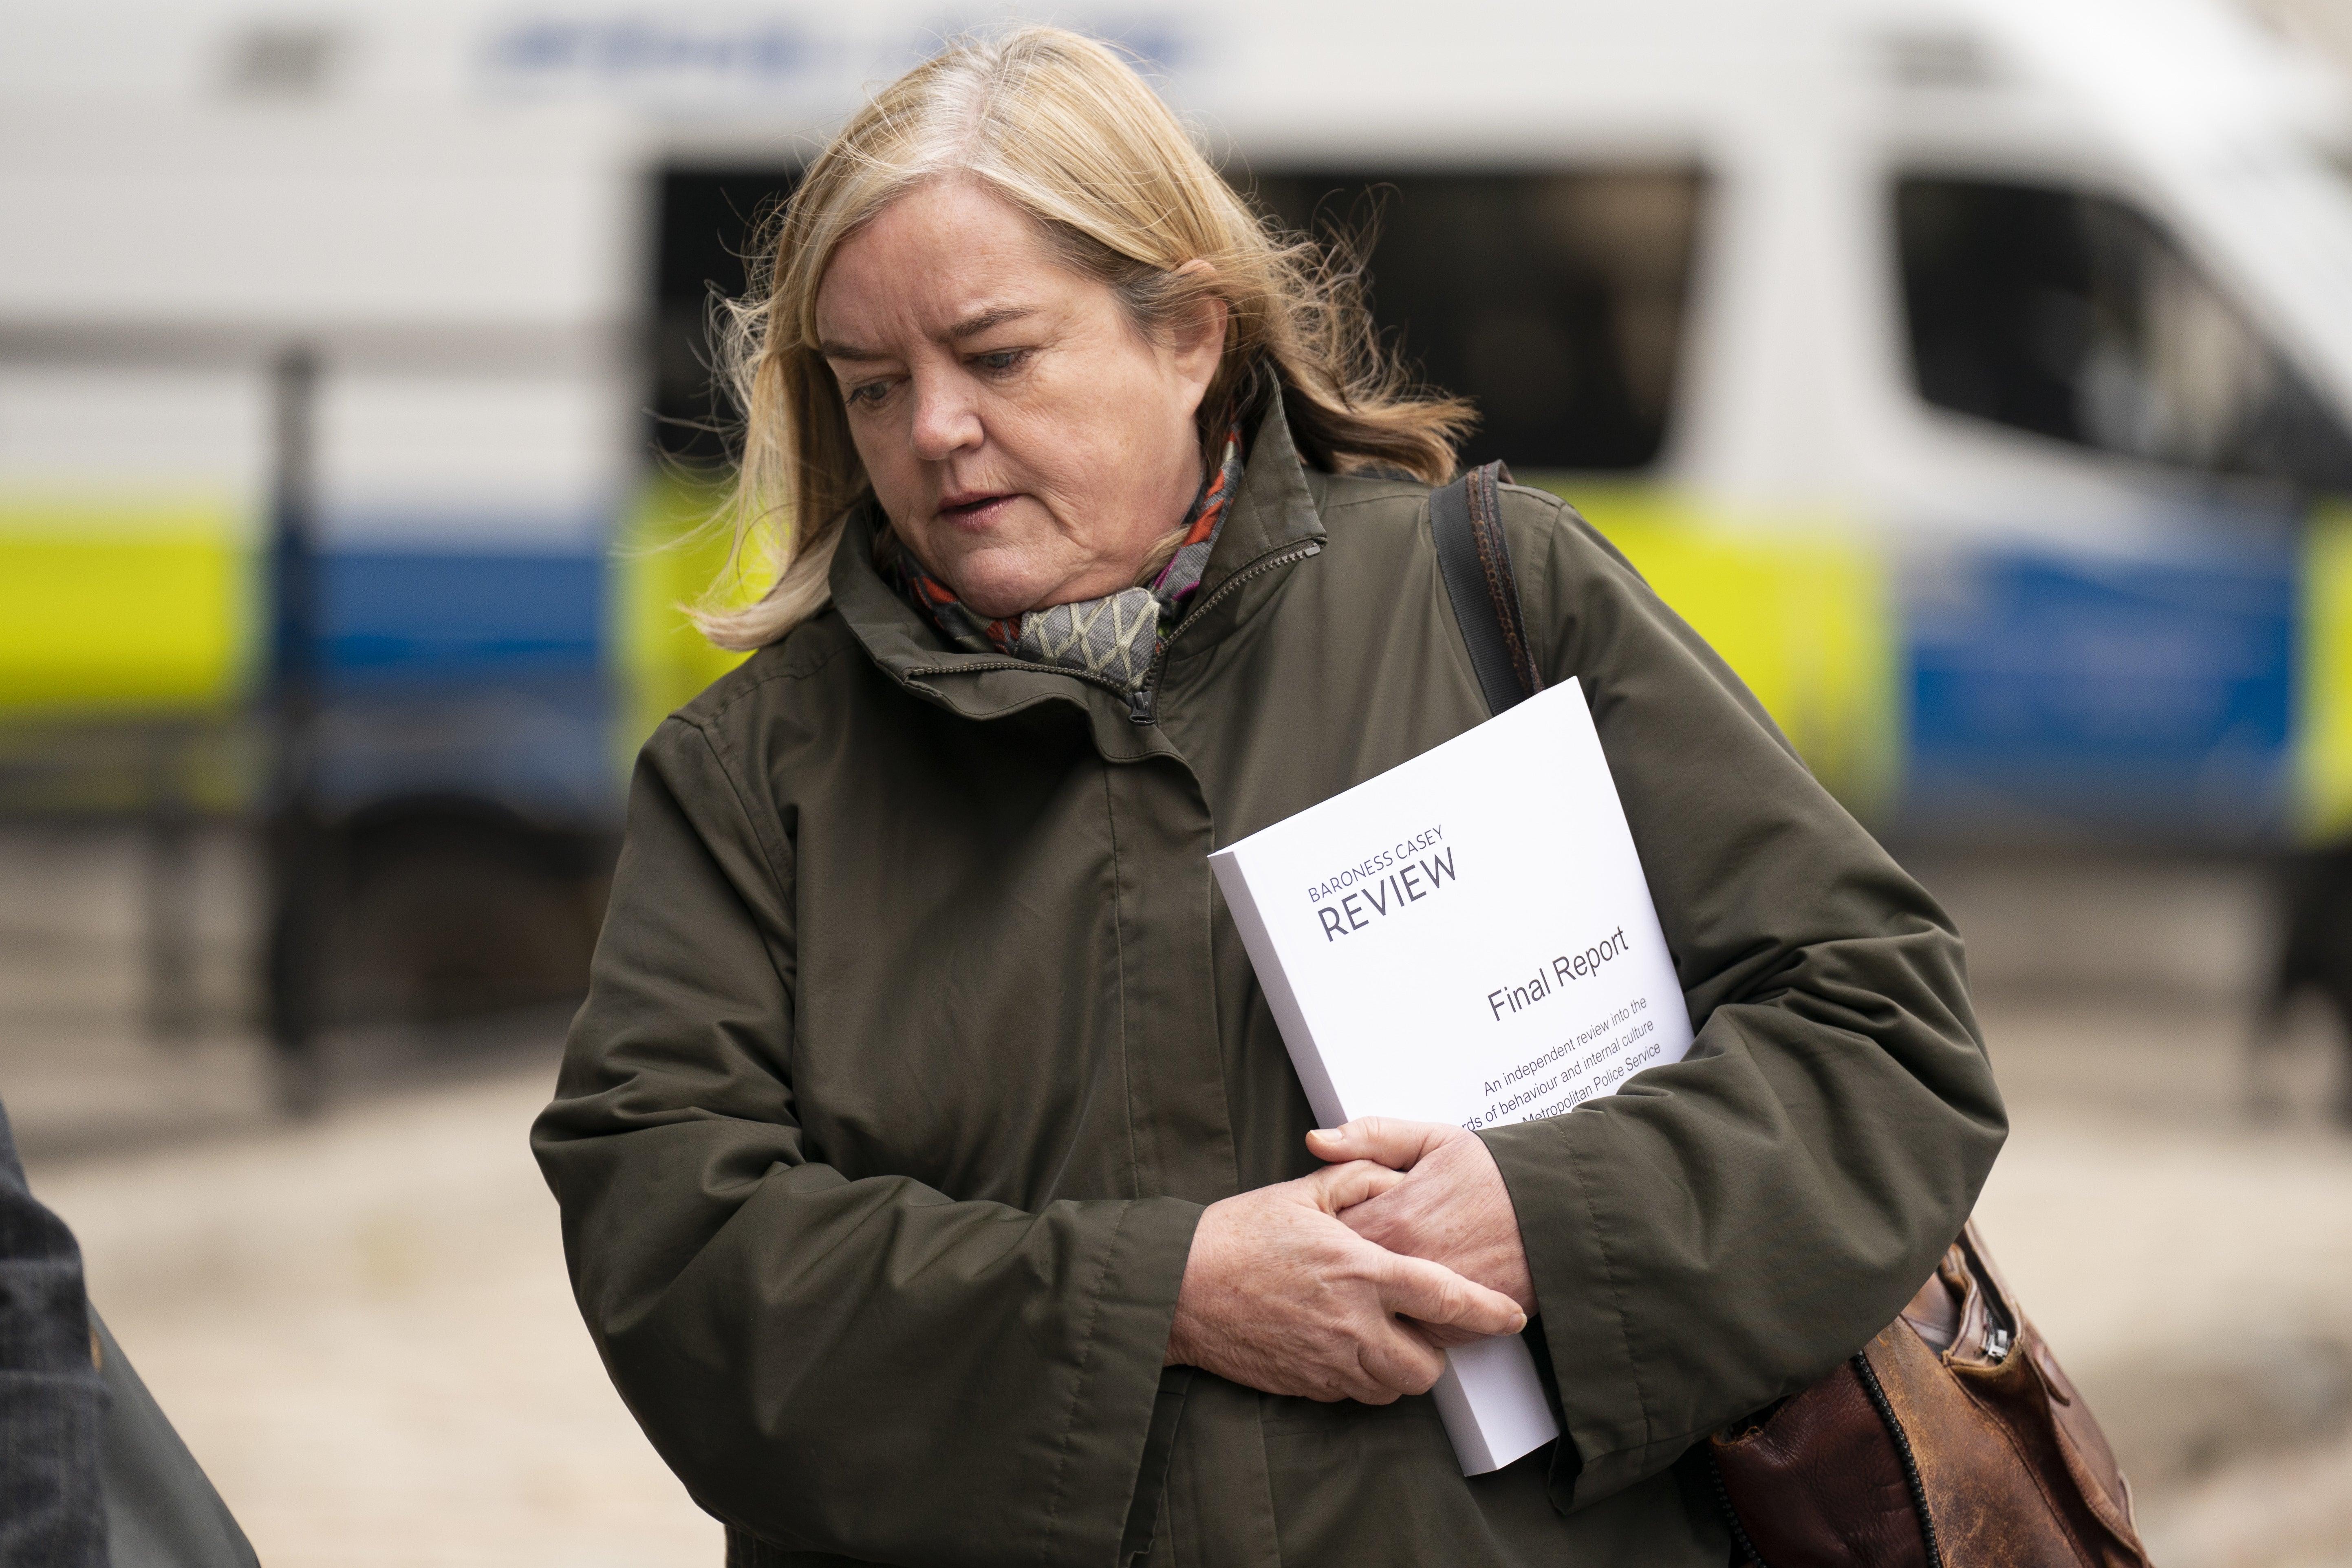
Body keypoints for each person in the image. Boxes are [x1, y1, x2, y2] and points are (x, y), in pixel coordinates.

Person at [531, 26, 2004, 1566]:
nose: (935, 432)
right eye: (873, 386)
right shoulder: (753, 781)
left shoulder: (1495, 598)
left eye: (997, 354)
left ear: (1188, 331)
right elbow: (669, 1242)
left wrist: (1549, 1215)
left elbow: (1884, 1033)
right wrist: (1158, 1300)